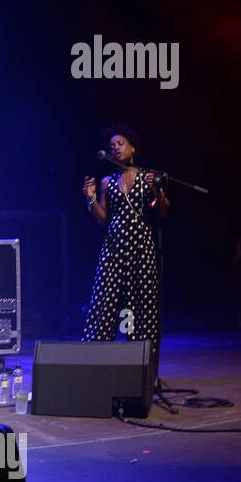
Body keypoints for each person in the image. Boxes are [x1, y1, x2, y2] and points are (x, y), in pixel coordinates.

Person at [81, 124, 169, 370]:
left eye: (120, 144)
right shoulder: (107, 182)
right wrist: (90, 198)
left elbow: (163, 212)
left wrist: (156, 190)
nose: (115, 148)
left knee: (144, 307)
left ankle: (143, 369)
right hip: (114, 248)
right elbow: (102, 220)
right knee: (103, 304)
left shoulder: (148, 176)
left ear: (132, 148)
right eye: (112, 146)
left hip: (141, 249)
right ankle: (91, 367)